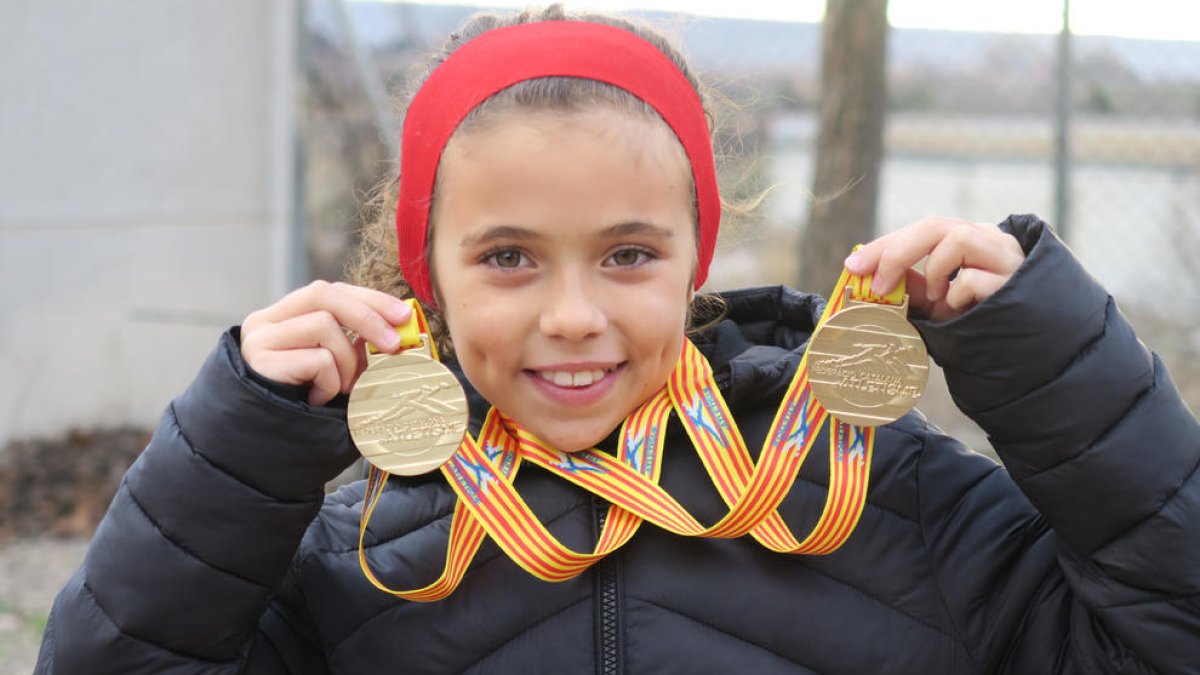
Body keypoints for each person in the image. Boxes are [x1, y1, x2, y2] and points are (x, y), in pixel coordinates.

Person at [34, 6, 1200, 674]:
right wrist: (236, 447)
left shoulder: (891, 501)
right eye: (507, 258)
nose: (574, 313)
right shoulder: (357, 556)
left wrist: (1049, 359)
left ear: (700, 256)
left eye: (628, 255)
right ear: (423, 277)